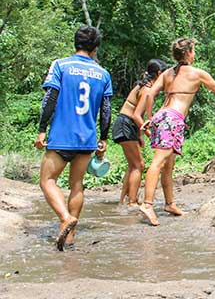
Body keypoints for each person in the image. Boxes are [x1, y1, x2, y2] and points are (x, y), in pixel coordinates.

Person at [134, 37, 215, 226]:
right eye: (194, 50)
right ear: (188, 53)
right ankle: (147, 204)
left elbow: (149, 93)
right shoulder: (197, 73)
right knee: (158, 162)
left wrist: (149, 117)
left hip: (162, 117)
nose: (194, 54)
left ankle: (170, 203)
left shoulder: (166, 73)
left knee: (168, 165)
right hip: (172, 119)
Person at [34, 25, 113, 251]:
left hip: (62, 135)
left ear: (75, 43)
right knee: (76, 184)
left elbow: (50, 98)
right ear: (95, 48)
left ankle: (64, 218)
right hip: (87, 138)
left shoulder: (61, 65)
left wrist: (41, 130)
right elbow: (105, 110)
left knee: (47, 180)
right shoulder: (103, 73)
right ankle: (70, 238)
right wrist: (103, 138)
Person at [114, 59, 168, 207]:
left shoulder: (141, 85)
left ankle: (124, 200)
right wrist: (151, 134)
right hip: (127, 124)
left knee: (132, 165)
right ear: (158, 74)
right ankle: (132, 202)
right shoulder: (147, 90)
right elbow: (137, 115)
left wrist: (140, 135)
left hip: (124, 123)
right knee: (139, 165)